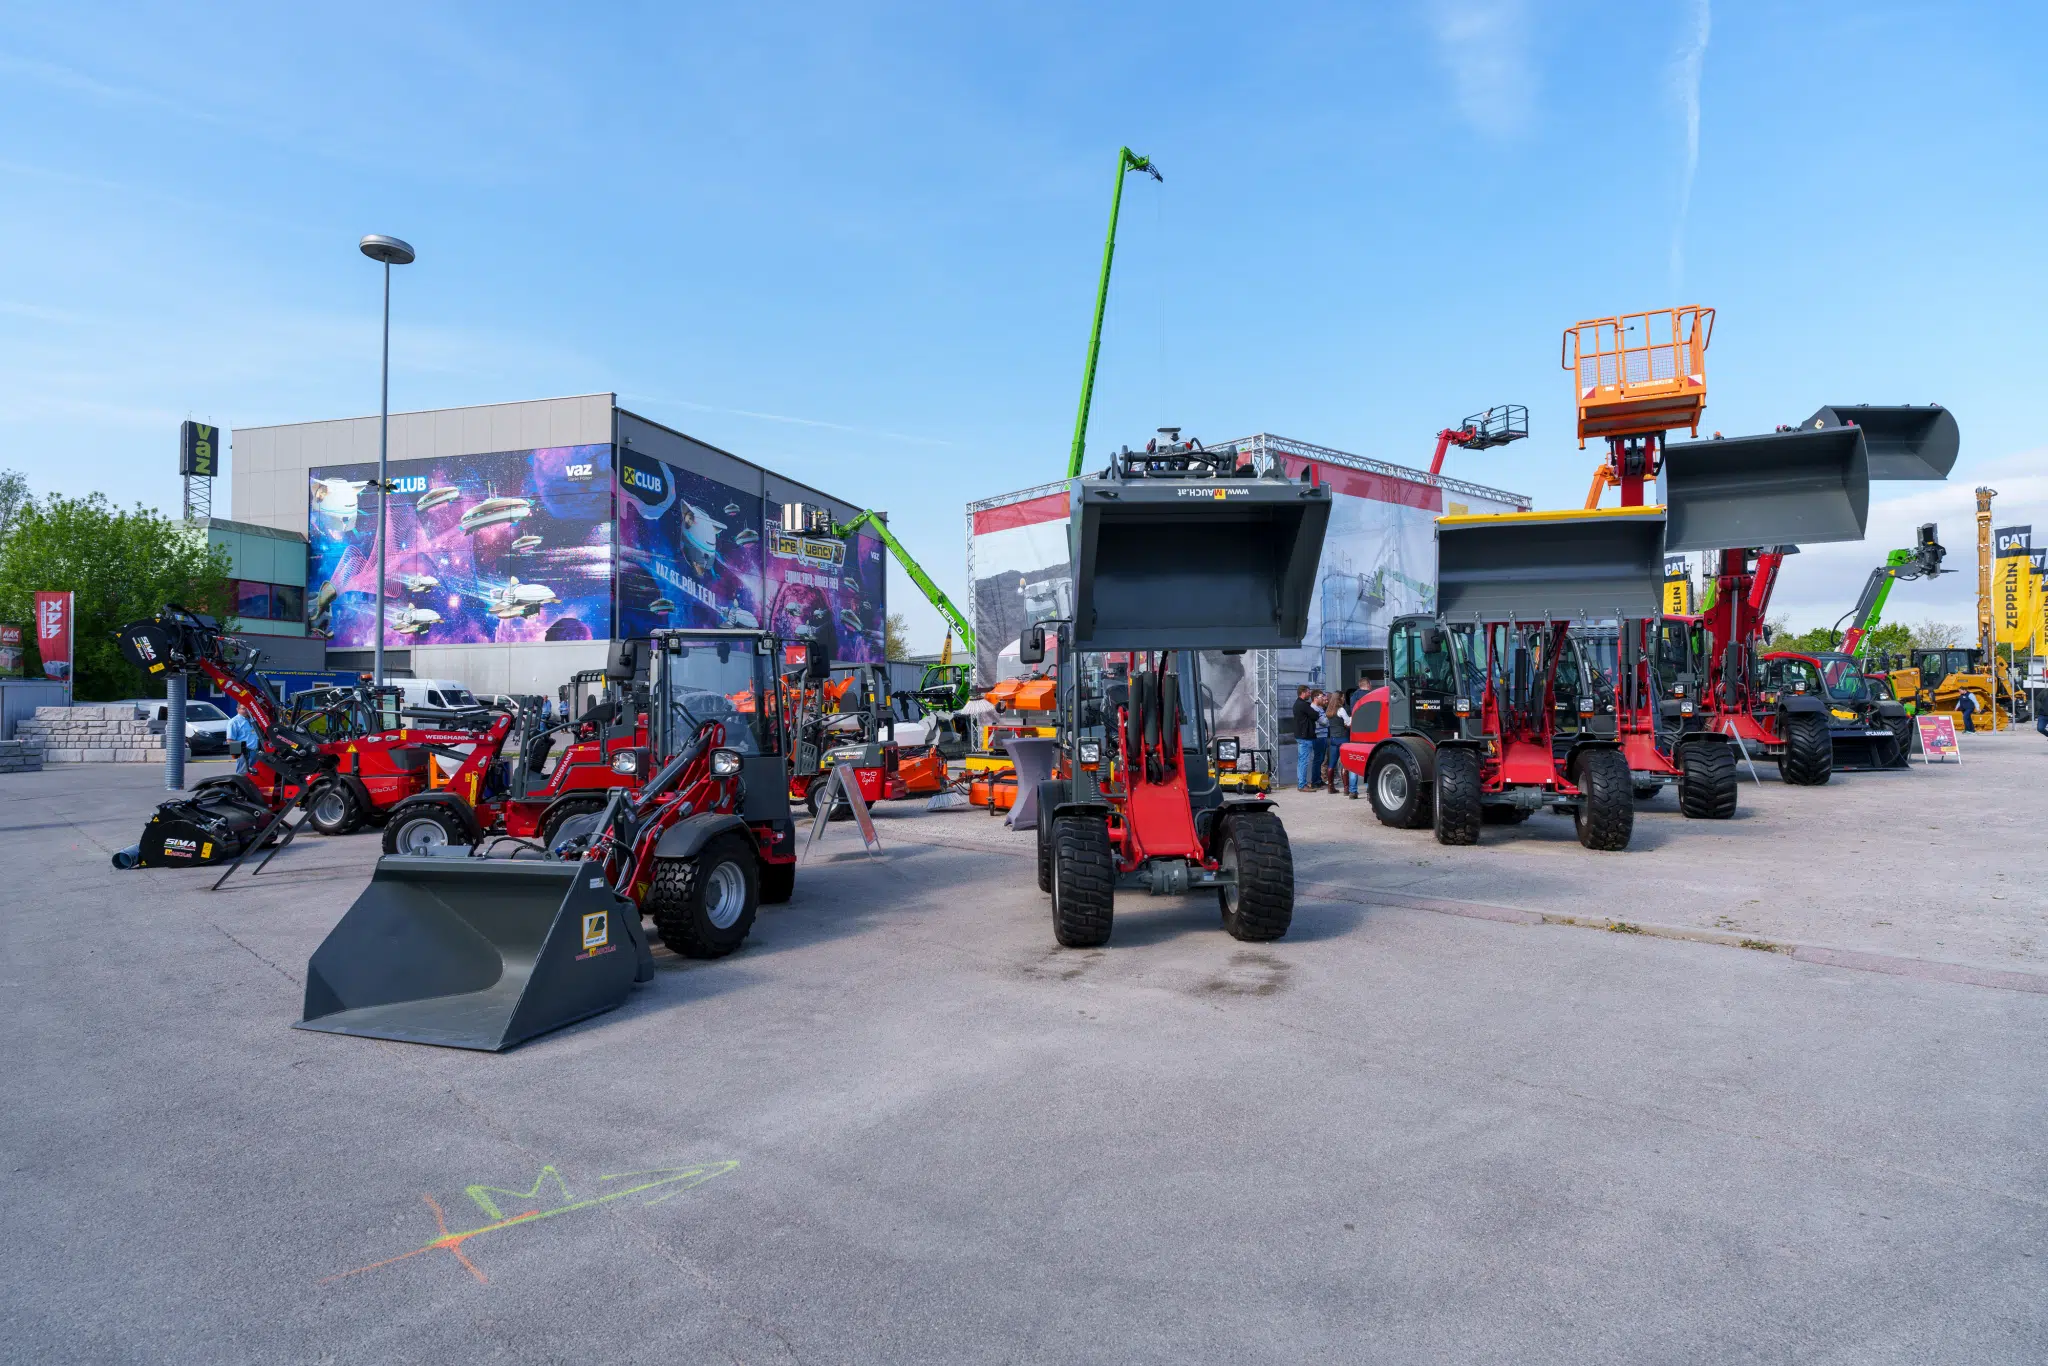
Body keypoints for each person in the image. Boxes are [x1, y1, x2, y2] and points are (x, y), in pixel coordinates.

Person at [1291, 685, 1318, 790]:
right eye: (1308, 692)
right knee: (1304, 761)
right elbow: (1315, 715)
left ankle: (1301, 783)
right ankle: (1302, 785)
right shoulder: (1303, 705)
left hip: (1301, 735)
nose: (1310, 694)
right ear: (1302, 693)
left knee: (1302, 761)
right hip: (1305, 736)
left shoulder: (1298, 704)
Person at [227, 707, 260, 775]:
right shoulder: (234, 722)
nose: (246, 710)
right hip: (244, 753)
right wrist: (238, 755)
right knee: (242, 774)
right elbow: (230, 740)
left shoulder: (253, 719)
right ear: (237, 709)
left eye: (248, 708)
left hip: (256, 751)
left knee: (255, 775)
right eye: (244, 709)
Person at [1310, 691, 1331, 791]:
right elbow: (1324, 722)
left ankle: (1319, 780)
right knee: (1318, 759)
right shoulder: (1314, 709)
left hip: (1323, 735)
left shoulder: (1320, 708)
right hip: (1318, 736)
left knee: (1321, 759)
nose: (1323, 698)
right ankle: (1315, 782)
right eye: (1321, 697)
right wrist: (1327, 719)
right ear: (1315, 698)